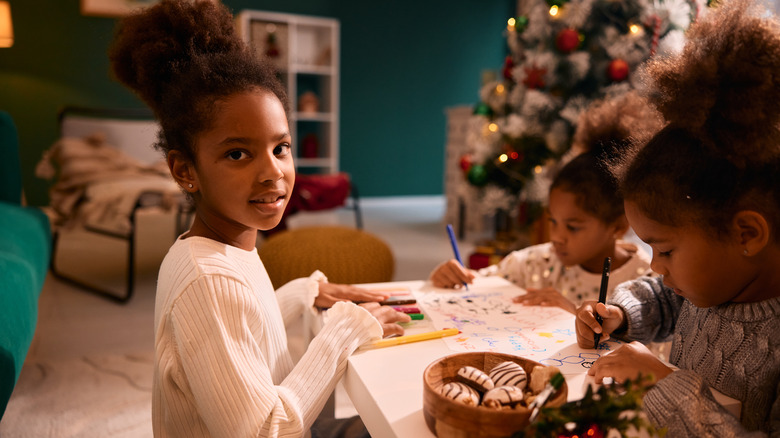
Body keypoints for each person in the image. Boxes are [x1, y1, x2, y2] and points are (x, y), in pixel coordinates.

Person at [108, 1, 410, 437]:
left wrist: (305, 293)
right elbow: (264, 429)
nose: (272, 172)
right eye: (237, 154)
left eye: (280, 148)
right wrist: (345, 331)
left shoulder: (221, 246)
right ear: (184, 170)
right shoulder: (209, 281)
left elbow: (246, 322)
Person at [574, 0, 780, 434]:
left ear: (747, 233)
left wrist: (666, 383)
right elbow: (666, 298)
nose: (655, 264)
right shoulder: (713, 281)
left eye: (665, 249)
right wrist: (621, 314)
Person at [430, 91, 660, 313]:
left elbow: (653, 353)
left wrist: (571, 316)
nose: (557, 237)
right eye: (553, 221)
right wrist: (452, 275)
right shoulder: (535, 263)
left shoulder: (646, 286)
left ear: (618, 226)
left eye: (573, 227)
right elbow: (476, 285)